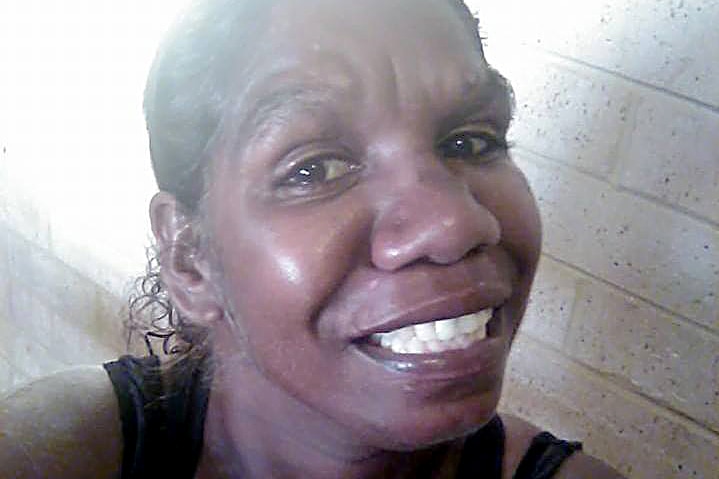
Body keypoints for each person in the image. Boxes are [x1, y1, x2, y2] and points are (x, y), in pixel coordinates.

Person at [0, 0, 626, 477]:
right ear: (192, 261)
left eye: (471, 141)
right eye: (313, 168)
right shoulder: (67, 448)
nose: (456, 224)